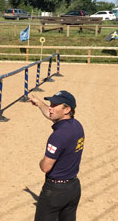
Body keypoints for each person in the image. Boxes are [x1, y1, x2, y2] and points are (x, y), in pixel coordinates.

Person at [28, 90, 85, 221]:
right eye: (50, 104)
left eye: (54, 105)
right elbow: (50, 114)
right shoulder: (77, 126)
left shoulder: (58, 136)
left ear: (67, 109)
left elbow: (46, 167)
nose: (50, 108)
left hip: (55, 190)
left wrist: (40, 162)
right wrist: (39, 104)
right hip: (73, 187)